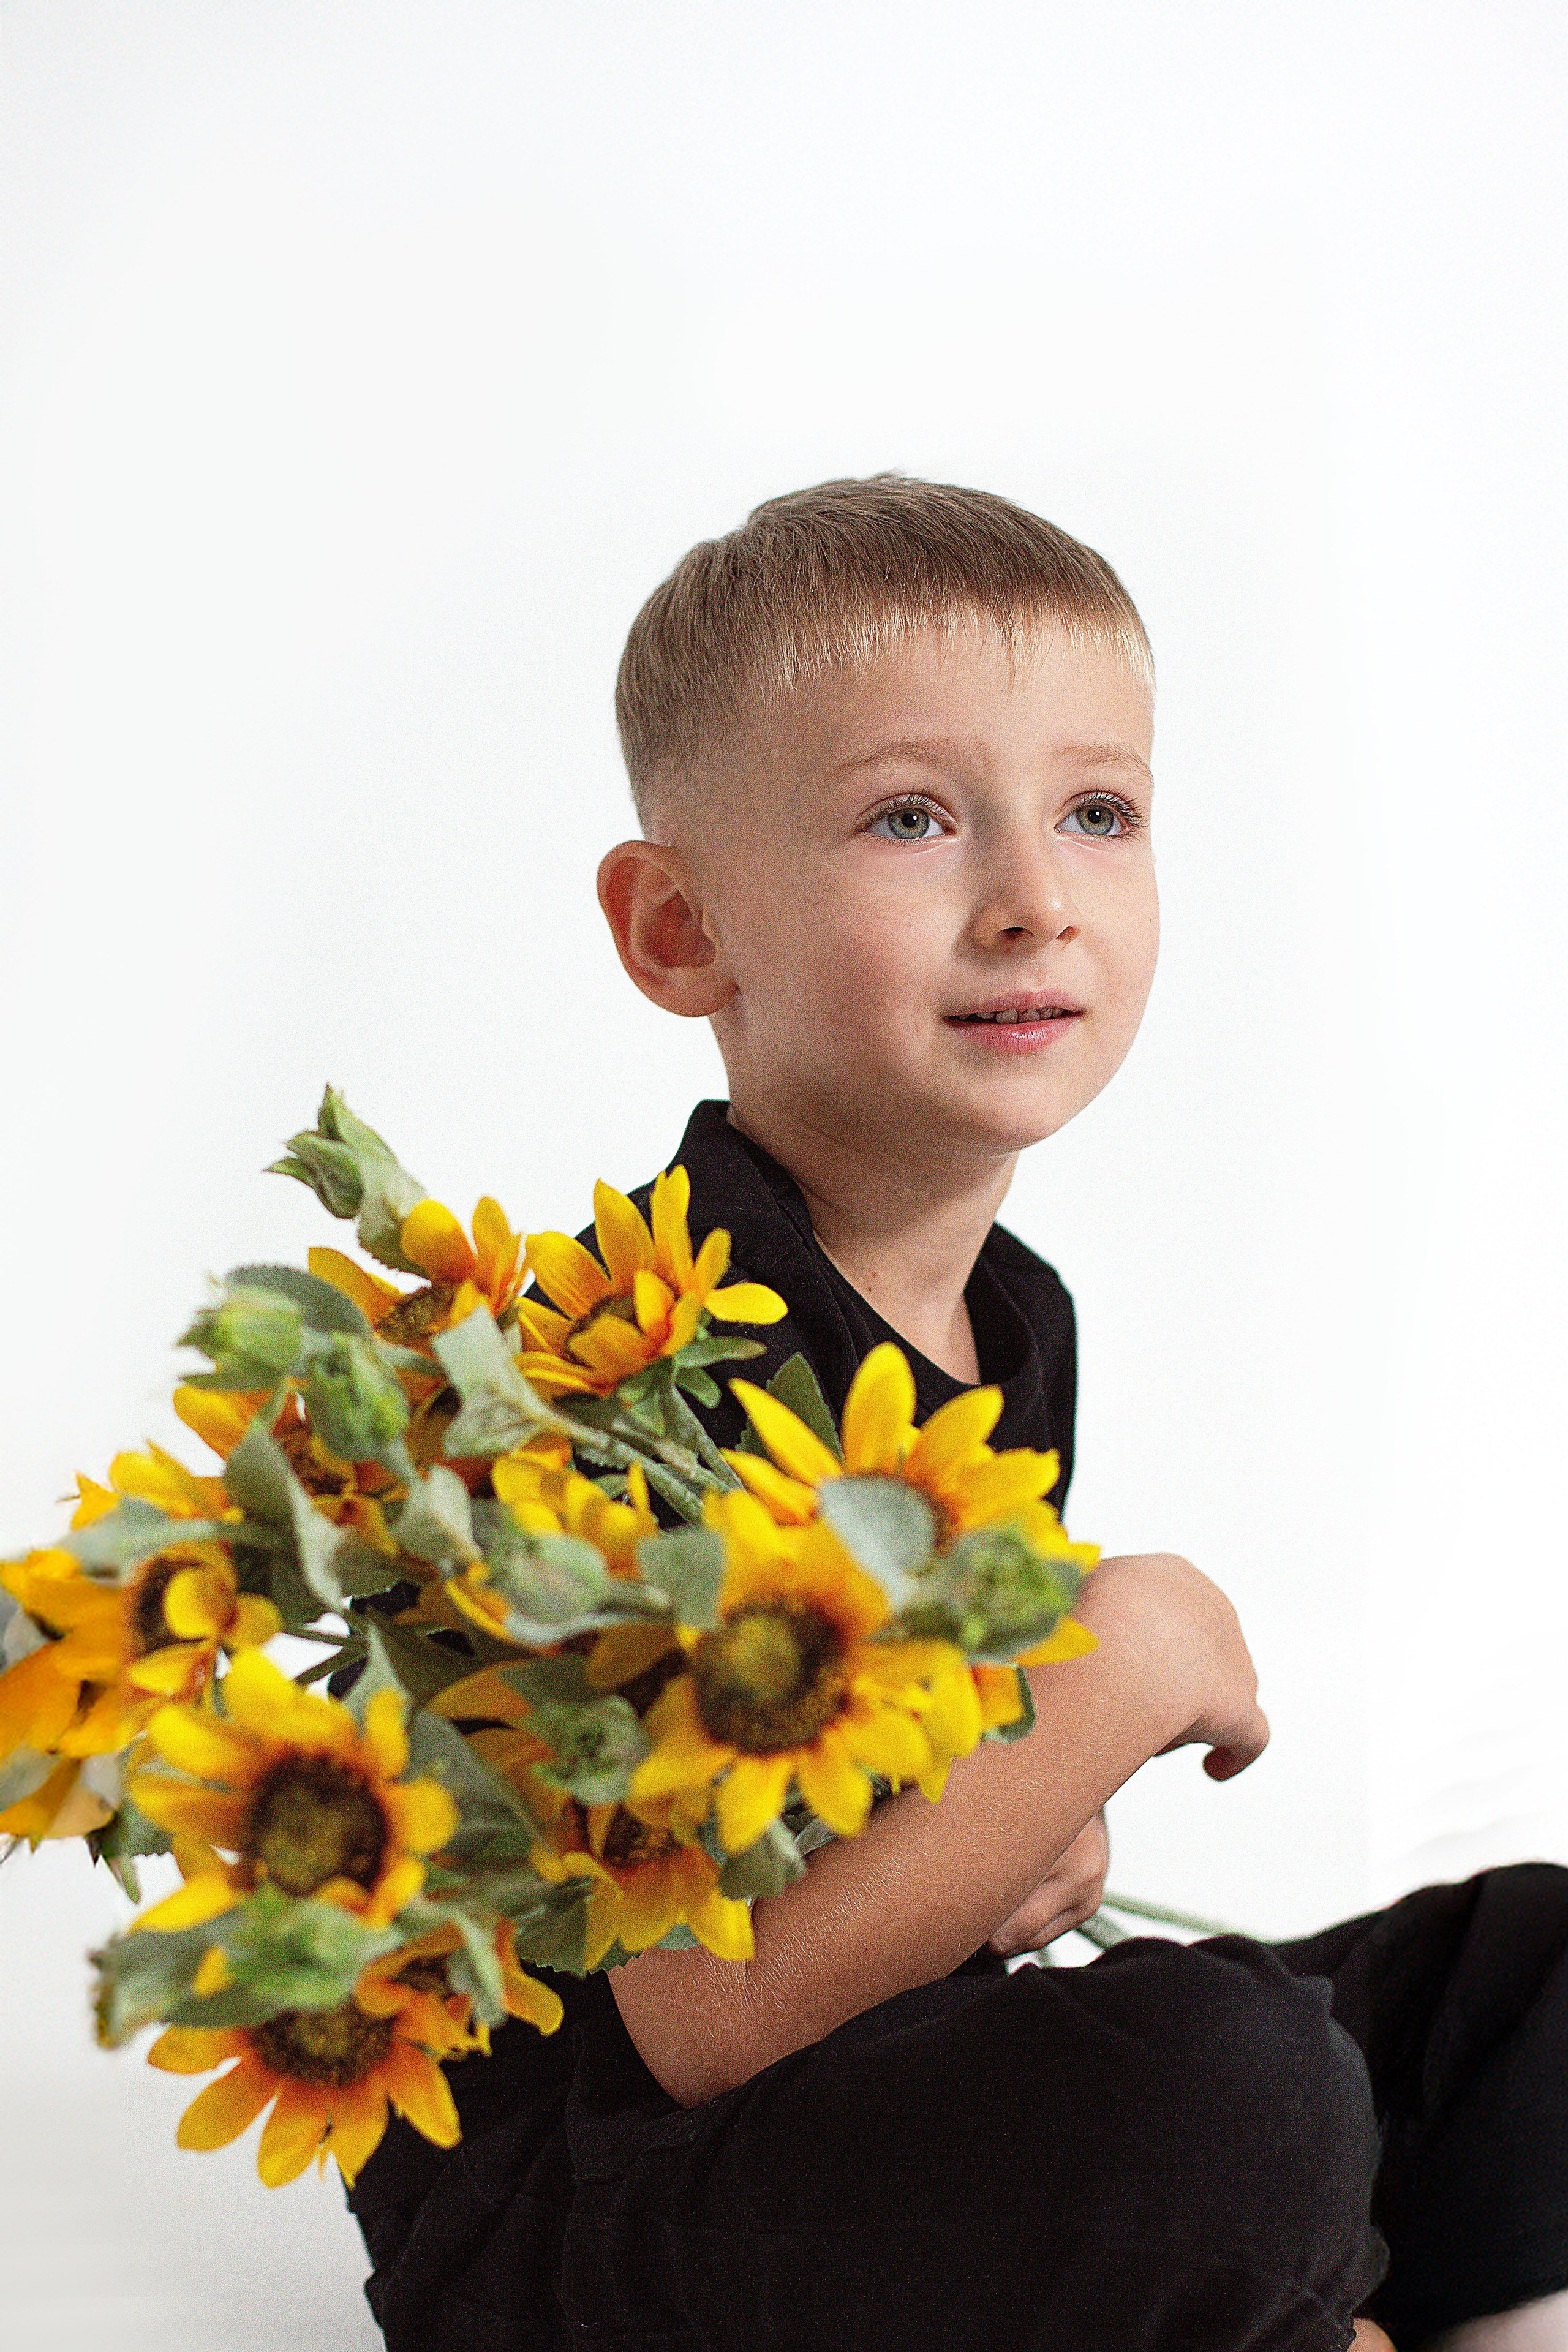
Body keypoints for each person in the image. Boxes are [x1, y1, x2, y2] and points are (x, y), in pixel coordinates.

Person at [347, 477, 1568, 2352]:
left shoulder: (1010, 1317)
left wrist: (1022, 1817)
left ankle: (1306, 2275)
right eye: (911, 818)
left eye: (1099, 812)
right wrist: (1128, 1657)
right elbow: (698, 2019)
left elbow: (919, 1808)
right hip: (595, 2212)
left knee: (1520, 1968)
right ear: (681, 930)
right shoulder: (639, 1374)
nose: (1032, 900)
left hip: (891, 2101)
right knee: (1227, 2080)